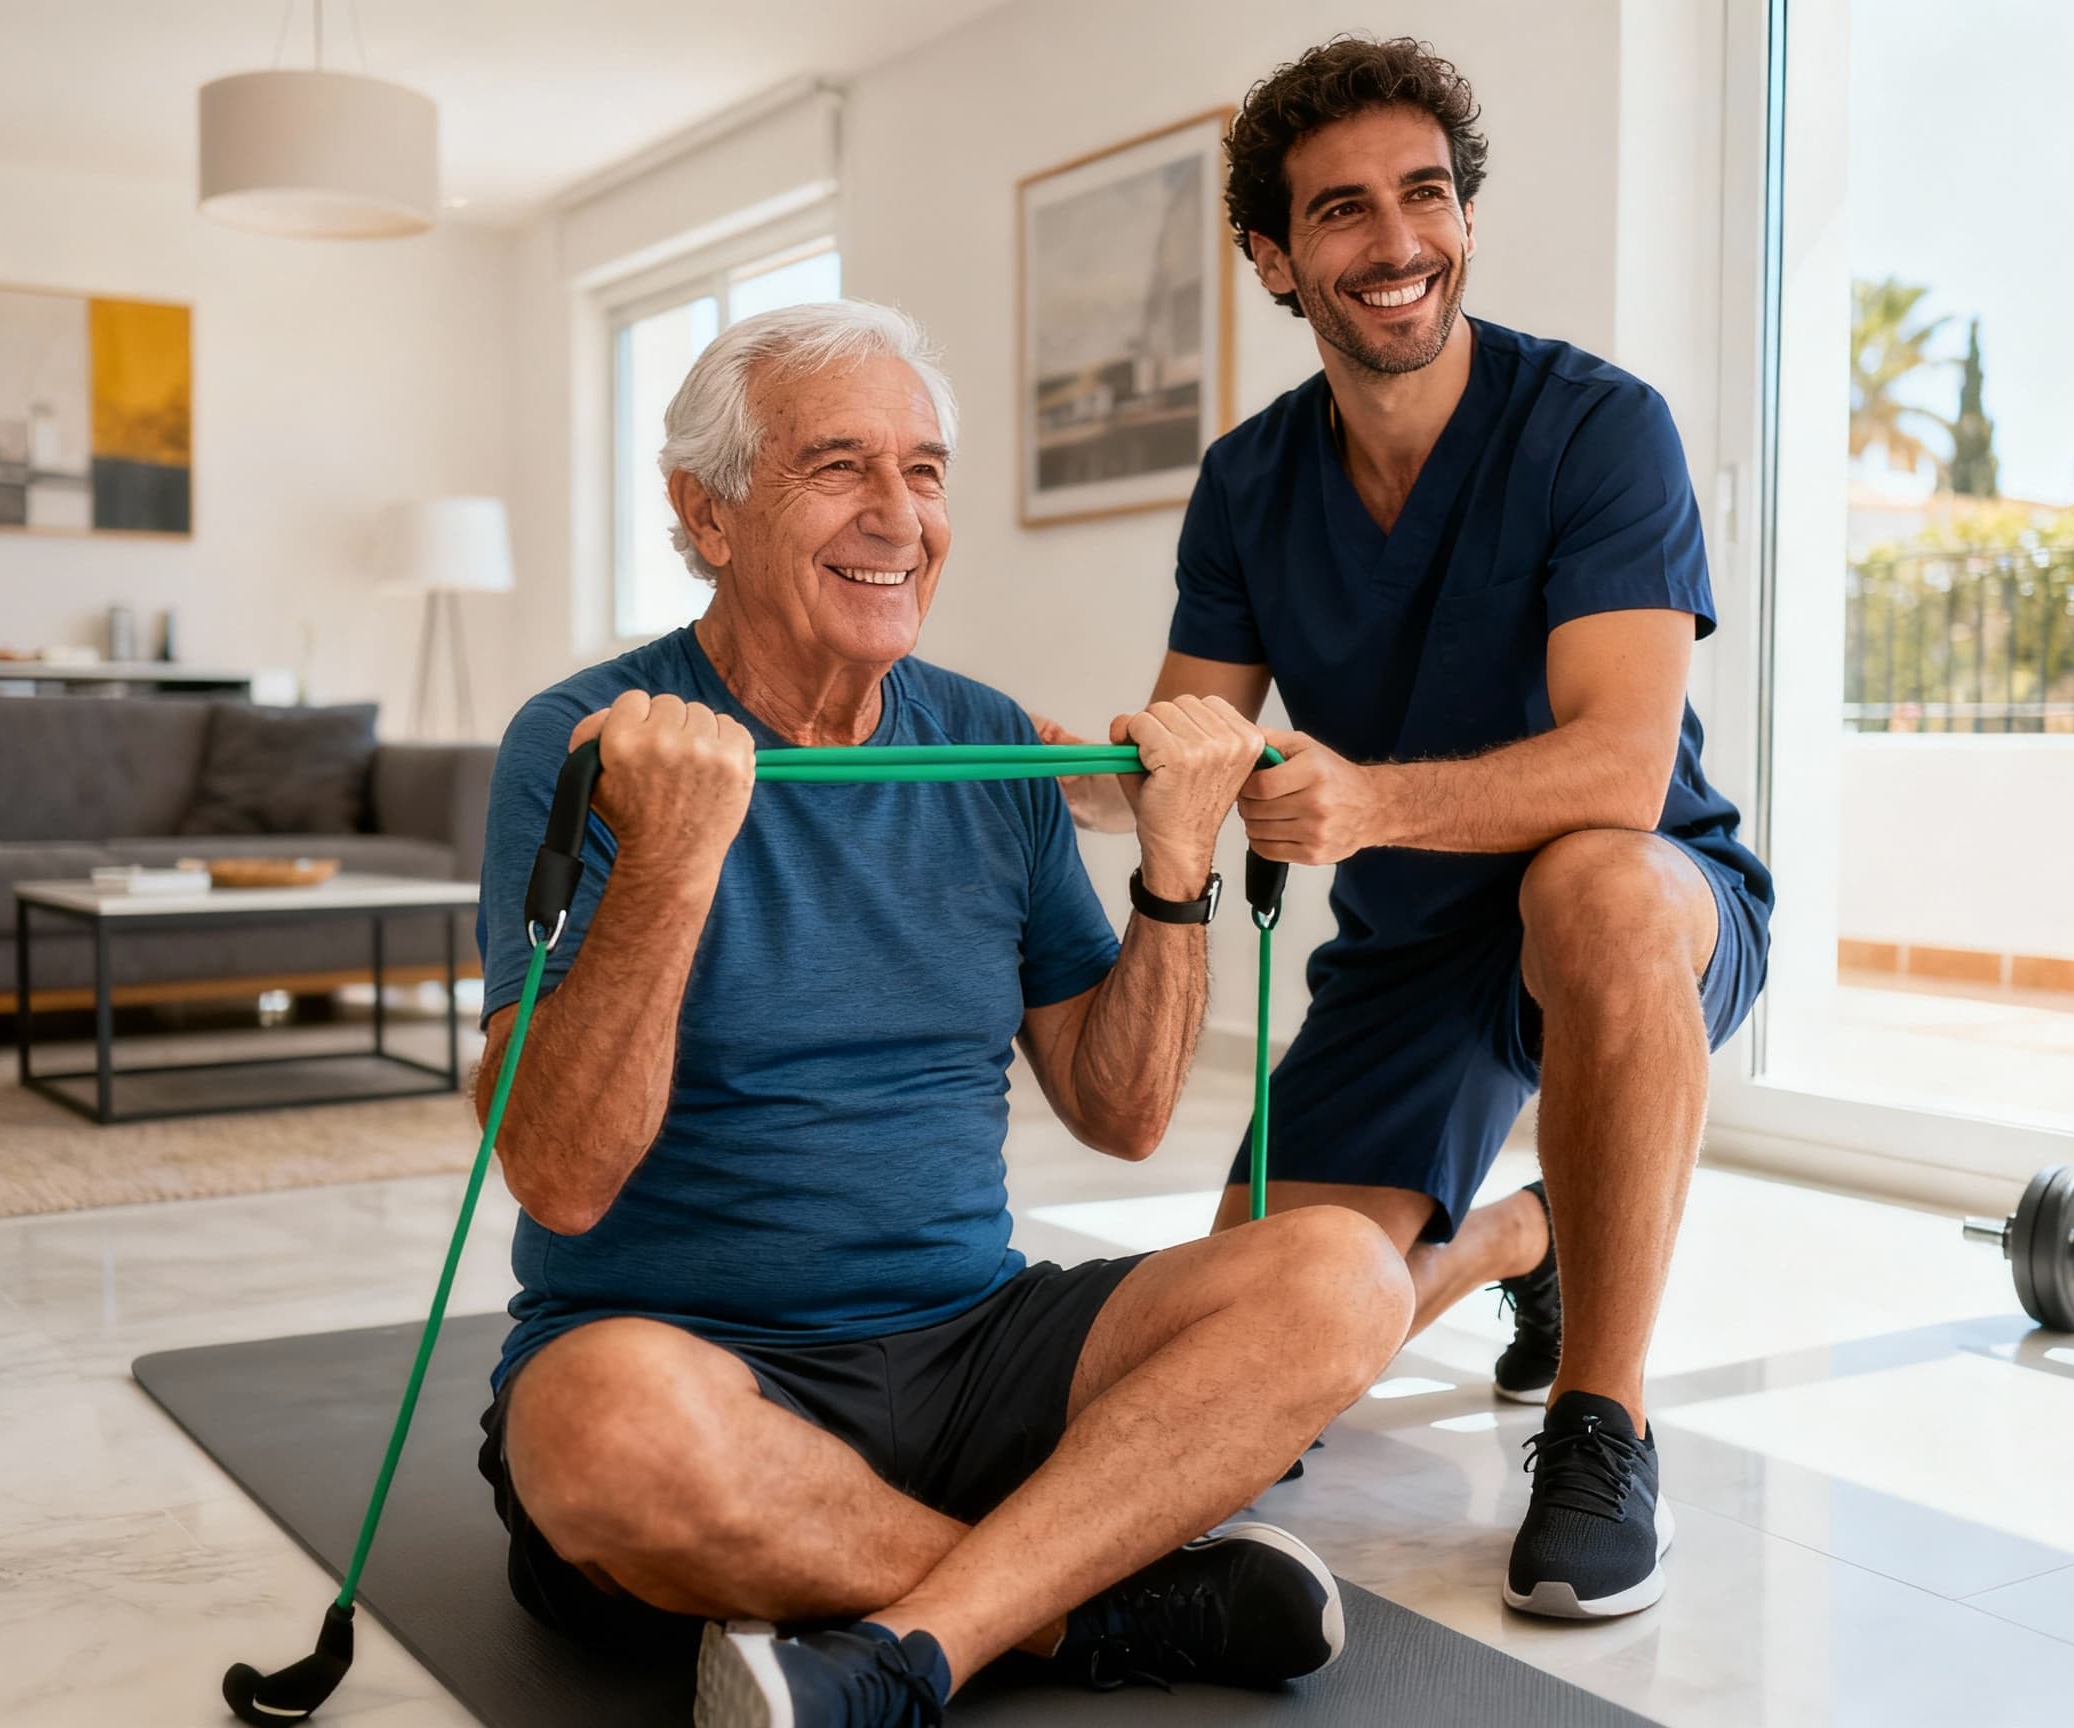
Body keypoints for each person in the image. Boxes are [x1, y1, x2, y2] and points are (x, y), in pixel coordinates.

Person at [470, 301, 1414, 1728]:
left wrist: (1172, 869)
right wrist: (670, 857)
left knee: (1344, 1272)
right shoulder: (588, 741)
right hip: (698, 1363)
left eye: (924, 472)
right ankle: (1085, 1607)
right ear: (706, 513)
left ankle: (910, 1644)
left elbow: (1124, 1113)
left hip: (977, 1350)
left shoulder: (988, 745)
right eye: (837, 467)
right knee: (598, 1429)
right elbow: (558, 1174)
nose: (897, 517)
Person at [1045, 37, 1772, 1620]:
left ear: (1463, 215)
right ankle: (1530, 1232)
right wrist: (1037, 761)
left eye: (1427, 194)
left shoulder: (1598, 428)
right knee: (1239, 1353)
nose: (1398, 242)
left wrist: (1366, 802)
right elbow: (1197, 744)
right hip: (1414, 948)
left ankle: (1604, 1415)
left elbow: (1622, 772)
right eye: (1344, 211)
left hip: (1649, 901)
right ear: (1273, 258)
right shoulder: (1248, 484)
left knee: (1598, 891)